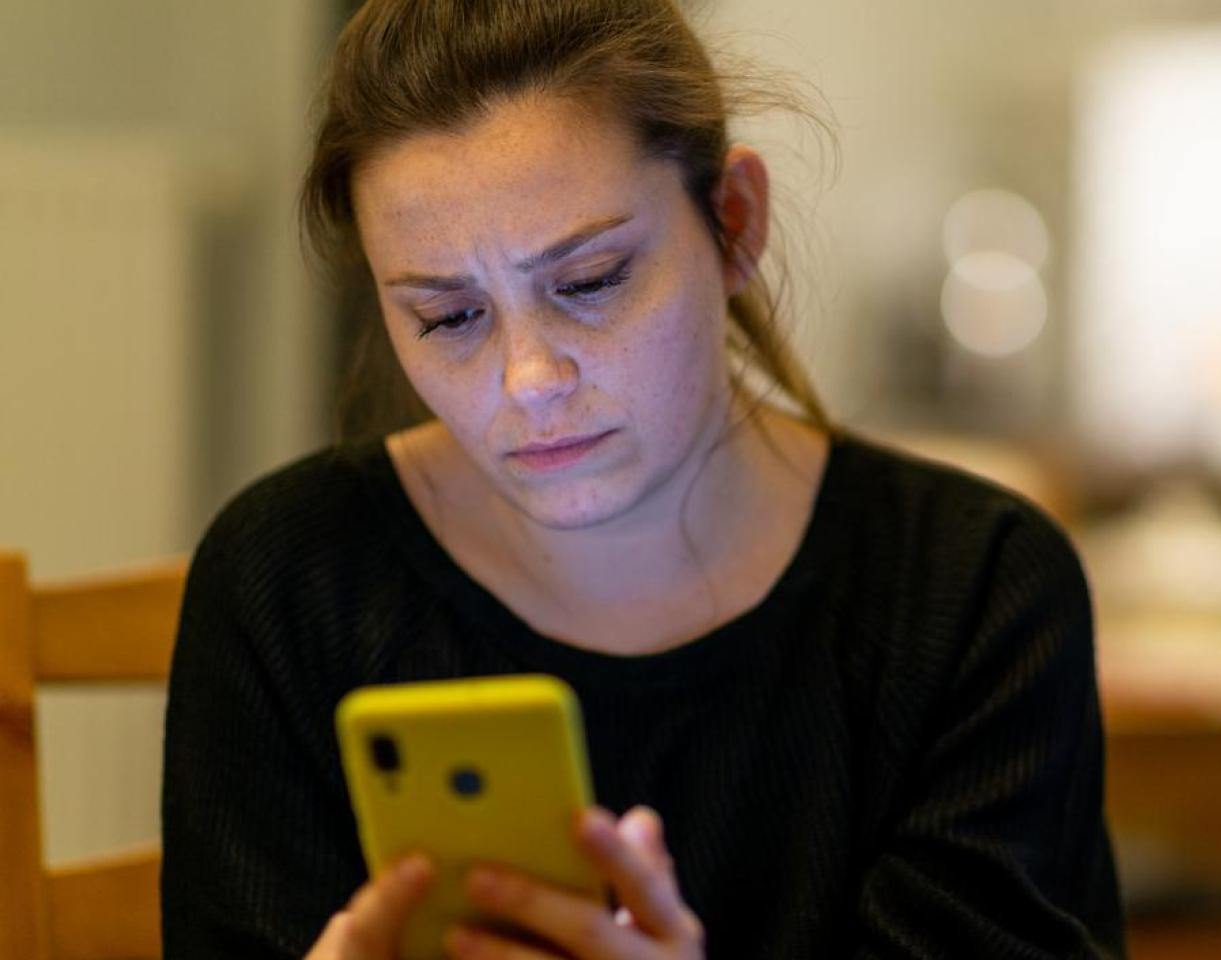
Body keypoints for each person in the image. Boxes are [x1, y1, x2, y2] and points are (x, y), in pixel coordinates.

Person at [159, 1, 1125, 957]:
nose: (528, 379)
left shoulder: (970, 588)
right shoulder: (287, 579)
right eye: (448, 318)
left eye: (590, 281)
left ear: (734, 221)